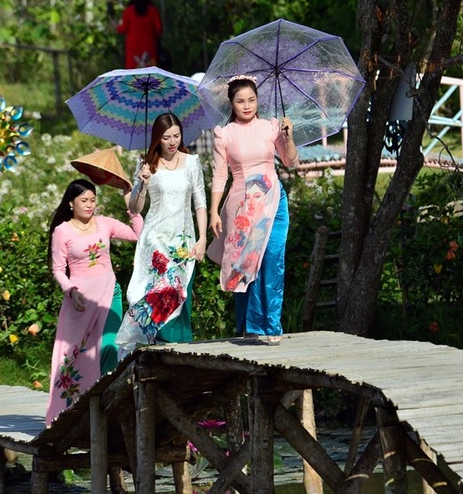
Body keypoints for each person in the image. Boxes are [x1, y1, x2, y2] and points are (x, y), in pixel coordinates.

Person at [207, 75, 299, 345]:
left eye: (251, 99)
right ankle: (251, 326)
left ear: (258, 100)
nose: (247, 105)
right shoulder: (224, 135)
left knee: (272, 257)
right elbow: (219, 176)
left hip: (273, 201)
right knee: (248, 264)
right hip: (244, 207)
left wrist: (288, 137)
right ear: (231, 104)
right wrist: (214, 212)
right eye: (240, 101)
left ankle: (271, 325)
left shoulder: (271, 127)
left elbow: (290, 161)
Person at [45, 179, 143, 425]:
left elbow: (138, 235)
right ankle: (70, 417)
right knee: (73, 358)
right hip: (79, 300)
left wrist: (132, 207)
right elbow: (57, 269)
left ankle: (106, 414)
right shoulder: (63, 231)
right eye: (84, 200)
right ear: (71, 203)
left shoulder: (105, 224)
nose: (90, 205)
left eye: (93, 200)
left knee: (109, 349)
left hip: (110, 294)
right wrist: (71, 290)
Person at [115, 113, 207, 354]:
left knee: (180, 292)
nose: (172, 141)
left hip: (183, 240)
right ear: (158, 138)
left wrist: (203, 238)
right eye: (166, 137)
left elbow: (200, 202)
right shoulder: (147, 165)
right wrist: (142, 183)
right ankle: (159, 345)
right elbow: (135, 208)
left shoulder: (192, 163)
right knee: (161, 290)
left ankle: (180, 348)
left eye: (176, 135)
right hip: (155, 239)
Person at [116, 0, 163, 69]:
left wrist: (115, 26)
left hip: (132, 46)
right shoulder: (153, 10)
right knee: (150, 72)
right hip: (149, 45)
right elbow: (159, 29)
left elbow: (123, 29)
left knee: (133, 73)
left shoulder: (128, 11)